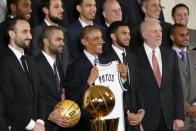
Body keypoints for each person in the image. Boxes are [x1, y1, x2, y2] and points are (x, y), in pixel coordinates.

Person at [134, 19, 184, 131]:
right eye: (155, 31)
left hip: (169, 118)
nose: (159, 34)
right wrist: (137, 121)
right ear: (145, 35)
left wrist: (179, 116)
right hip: (146, 119)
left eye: (160, 31)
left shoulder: (171, 54)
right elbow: (134, 90)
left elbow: (177, 86)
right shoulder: (133, 57)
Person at [0, 17, 44, 131]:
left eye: (29, 31)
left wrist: (40, 121)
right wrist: (32, 126)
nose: (30, 36)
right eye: (25, 32)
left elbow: (39, 93)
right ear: (12, 34)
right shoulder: (3, 61)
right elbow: (7, 101)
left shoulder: (31, 60)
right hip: (16, 126)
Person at [100, 21, 145, 131]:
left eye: (129, 34)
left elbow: (137, 86)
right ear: (113, 36)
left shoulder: (132, 57)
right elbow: (108, 94)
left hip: (135, 121)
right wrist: (126, 113)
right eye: (124, 33)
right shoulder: (103, 58)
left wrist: (141, 110)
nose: (128, 37)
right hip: (117, 121)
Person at [66, 26, 104, 131]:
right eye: (96, 38)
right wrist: (89, 82)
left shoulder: (107, 62)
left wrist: (123, 78)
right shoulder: (75, 67)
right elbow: (72, 99)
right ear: (84, 42)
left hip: (108, 122)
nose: (101, 41)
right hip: (87, 125)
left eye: (101, 38)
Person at [35, 26, 71, 131]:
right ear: (46, 41)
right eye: (58, 39)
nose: (62, 43)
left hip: (60, 123)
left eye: (63, 40)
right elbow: (34, 97)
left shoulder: (58, 64)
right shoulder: (35, 64)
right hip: (44, 124)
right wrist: (48, 116)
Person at [31, 0, 71, 81]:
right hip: (48, 85)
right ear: (46, 10)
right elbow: (37, 62)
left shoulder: (65, 31)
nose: (62, 10)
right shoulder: (37, 32)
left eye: (61, 6)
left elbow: (68, 60)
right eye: (56, 7)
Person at [170, 23, 196, 131]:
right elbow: (167, 88)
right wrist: (186, 108)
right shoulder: (166, 56)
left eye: (187, 34)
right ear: (172, 37)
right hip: (178, 117)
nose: (185, 38)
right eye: (181, 35)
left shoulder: (195, 55)